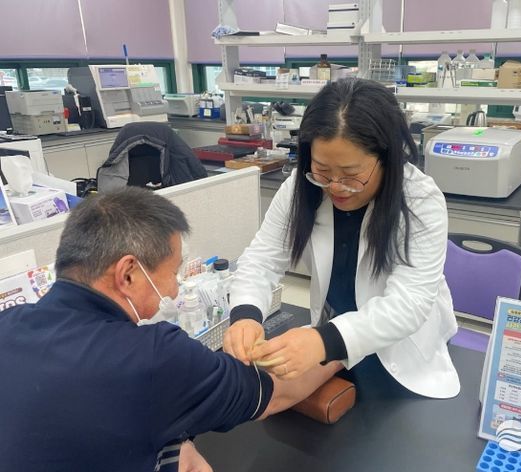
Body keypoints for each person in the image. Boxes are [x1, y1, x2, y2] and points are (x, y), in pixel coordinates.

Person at [0, 188, 339, 472]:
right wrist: (340, 345)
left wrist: (174, 446)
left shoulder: (8, 323)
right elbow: (275, 394)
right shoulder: (154, 357)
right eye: (173, 272)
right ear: (128, 274)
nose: (175, 289)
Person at [223, 78, 459, 399]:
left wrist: (324, 341)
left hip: (401, 347)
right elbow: (262, 258)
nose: (335, 186)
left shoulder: (420, 200)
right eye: (322, 169)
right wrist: (245, 315)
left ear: (387, 158)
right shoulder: (299, 188)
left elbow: (409, 304)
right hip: (334, 338)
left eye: (351, 175)